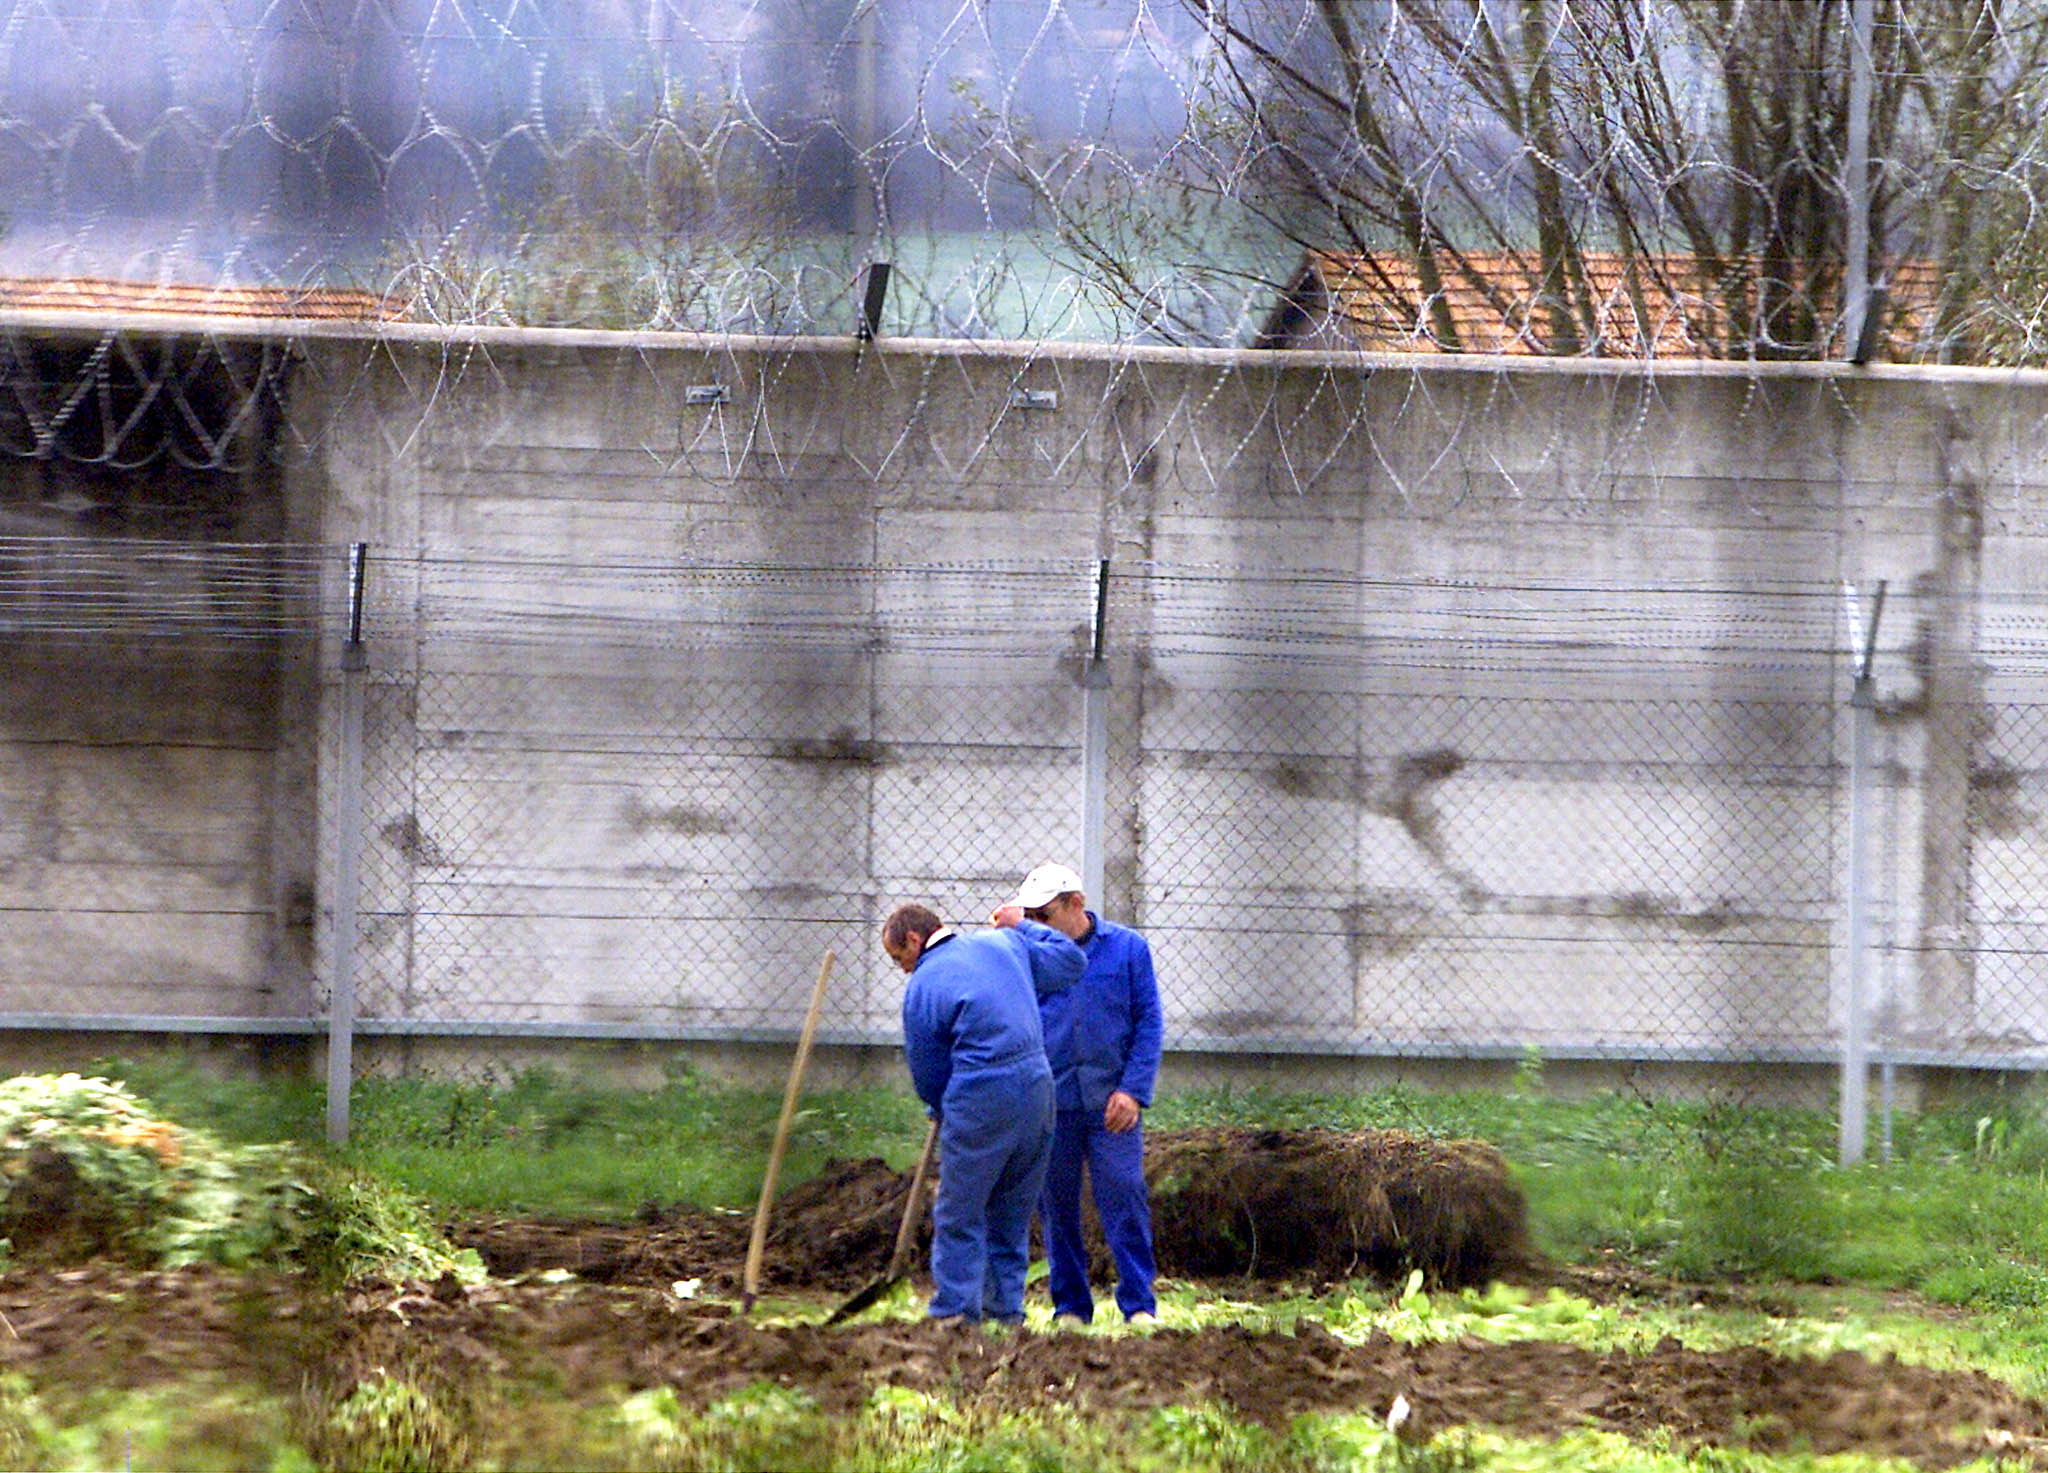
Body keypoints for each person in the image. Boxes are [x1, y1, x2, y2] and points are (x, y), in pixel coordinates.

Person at [883, 901, 1085, 1324]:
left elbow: (928, 1068)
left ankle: (955, 1312)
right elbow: (1071, 961)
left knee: (961, 1211)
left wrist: (940, 1109)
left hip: (981, 1096)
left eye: (899, 958)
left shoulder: (923, 985)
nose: (902, 969)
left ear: (915, 941)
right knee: (1012, 1211)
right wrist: (1024, 926)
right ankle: (1005, 1313)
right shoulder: (1005, 945)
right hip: (1038, 1089)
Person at [992, 862, 1163, 1327]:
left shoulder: (1127, 950)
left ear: (1076, 905)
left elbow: (1148, 1022)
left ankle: (1139, 1304)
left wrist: (1132, 1090)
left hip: (1112, 1102)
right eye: (1030, 917)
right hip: (1053, 1101)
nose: (1036, 927)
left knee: (1124, 1194)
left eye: (1043, 916)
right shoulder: (1025, 954)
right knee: (1055, 1204)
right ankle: (1070, 1307)